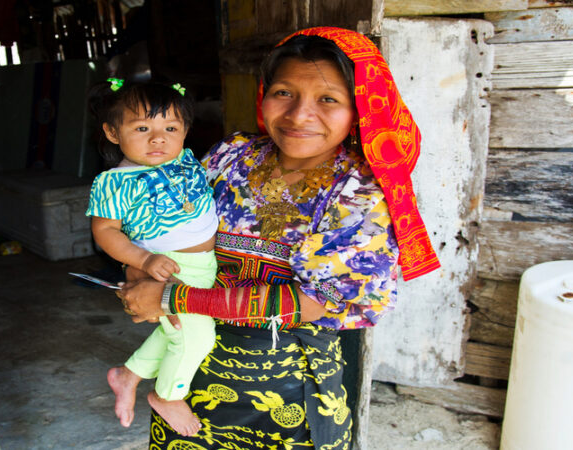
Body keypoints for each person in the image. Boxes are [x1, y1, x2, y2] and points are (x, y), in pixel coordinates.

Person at [117, 27, 441, 449]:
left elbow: (313, 301)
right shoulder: (231, 157)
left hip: (289, 389)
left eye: (328, 99)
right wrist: (138, 272)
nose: (298, 115)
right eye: (284, 92)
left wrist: (170, 298)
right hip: (190, 372)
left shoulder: (361, 194)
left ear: (359, 109)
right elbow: (154, 224)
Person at [85, 80, 219, 437]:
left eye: (170, 128)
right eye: (142, 128)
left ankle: (126, 376)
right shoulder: (114, 182)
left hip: (206, 267)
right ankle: (167, 396)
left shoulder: (186, 161)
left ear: (185, 132)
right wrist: (143, 261)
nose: (158, 138)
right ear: (113, 133)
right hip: (167, 267)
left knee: (175, 331)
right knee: (196, 337)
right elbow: (105, 233)